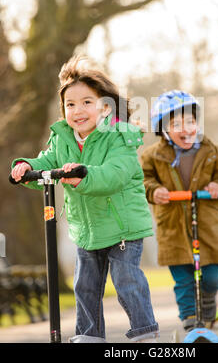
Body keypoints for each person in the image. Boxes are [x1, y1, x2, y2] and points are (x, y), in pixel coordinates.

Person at [10, 55, 159, 343]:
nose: (78, 110)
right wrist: (27, 167)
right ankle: (90, 337)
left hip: (122, 227)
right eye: (70, 104)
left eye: (87, 102)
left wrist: (84, 176)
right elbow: (47, 162)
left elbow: (116, 173)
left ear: (104, 106)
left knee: (127, 282)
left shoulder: (119, 136)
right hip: (86, 230)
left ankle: (145, 334)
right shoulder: (62, 138)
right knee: (85, 286)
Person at [141, 90, 218, 331]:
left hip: (208, 224)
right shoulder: (152, 156)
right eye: (176, 123)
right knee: (183, 278)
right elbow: (142, 181)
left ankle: (208, 308)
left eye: (190, 121)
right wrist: (154, 191)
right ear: (163, 129)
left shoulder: (212, 151)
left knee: (213, 276)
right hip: (173, 226)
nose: (185, 128)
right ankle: (189, 320)